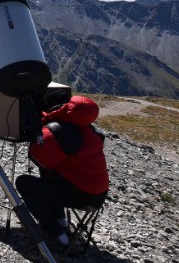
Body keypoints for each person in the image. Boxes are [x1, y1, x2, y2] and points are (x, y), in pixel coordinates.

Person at [15, 94, 109, 250]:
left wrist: (39, 131)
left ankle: (57, 234)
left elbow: (38, 157)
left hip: (79, 194)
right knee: (49, 178)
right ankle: (61, 221)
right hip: (97, 195)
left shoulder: (61, 132)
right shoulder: (89, 131)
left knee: (24, 183)